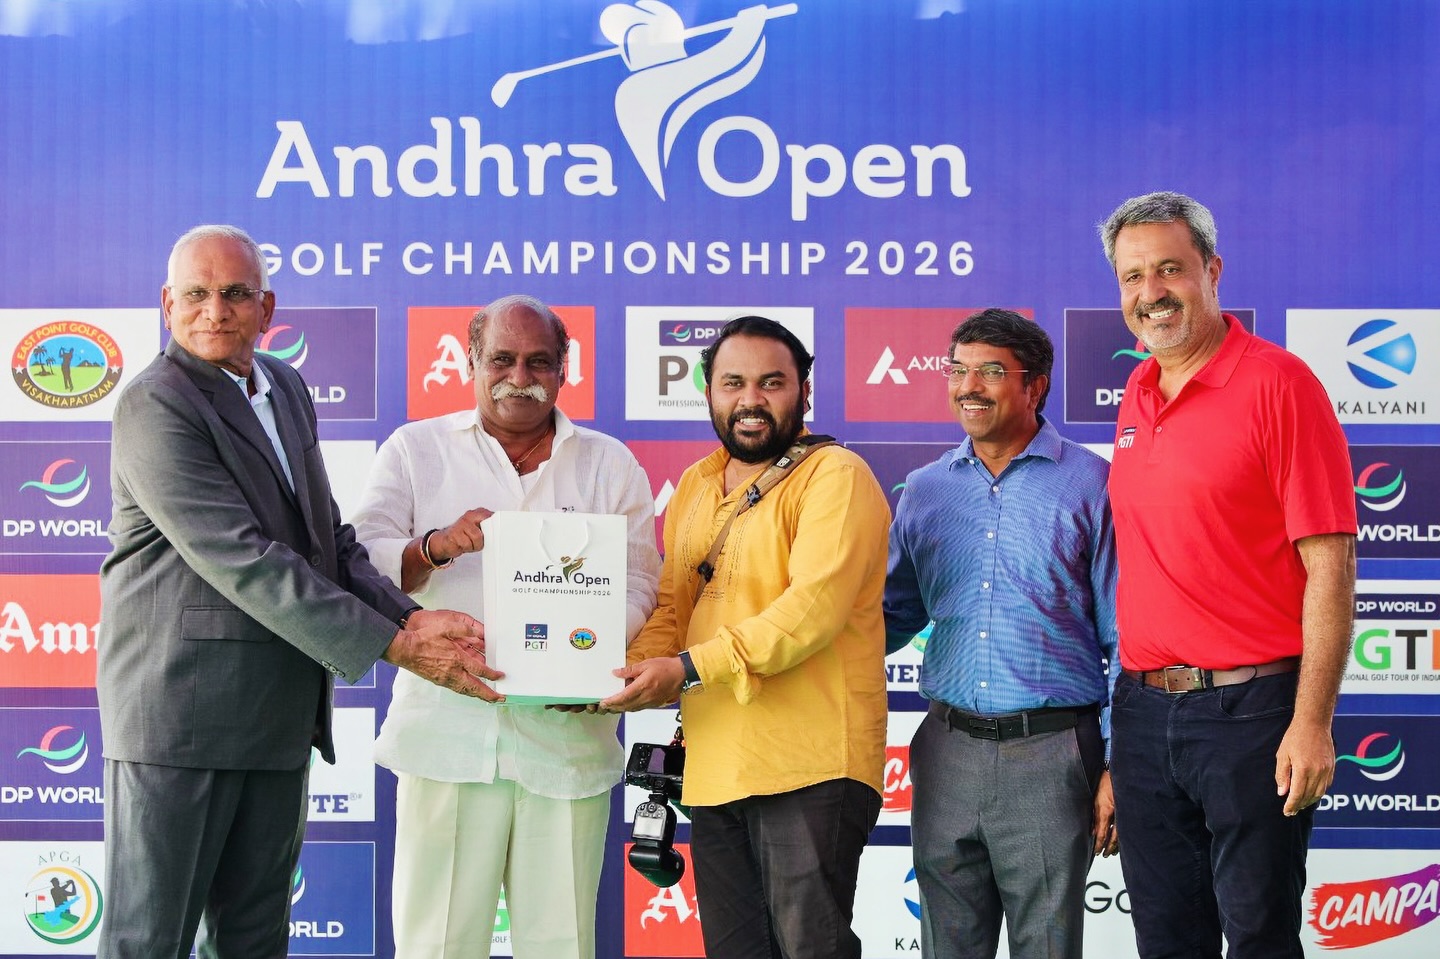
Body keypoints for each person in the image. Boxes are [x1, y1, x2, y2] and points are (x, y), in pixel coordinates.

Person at [97, 224, 500, 959]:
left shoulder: (284, 384)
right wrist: (396, 645)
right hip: (178, 722)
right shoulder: (155, 404)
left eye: (234, 293)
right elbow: (242, 558)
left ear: (266, 306)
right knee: (147, 942)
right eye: (195, 294)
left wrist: (411, 612)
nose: (214, 310)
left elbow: (324, 540)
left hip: (275, 719)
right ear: (166, 303)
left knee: (255, 940)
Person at [351, 294, 661, 959]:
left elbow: (640, 581)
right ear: (470, 361)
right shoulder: (416, 448)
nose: (519, 376)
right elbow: (362, 563)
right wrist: (435, 546)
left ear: (565, 366)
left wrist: (593, 654)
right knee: (437, 944)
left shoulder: (611, 464)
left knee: (563, 944)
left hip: (567, 740)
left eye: (539, 361)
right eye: (502, 359)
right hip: (447, 736)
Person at [1098, 192, 1357, 958]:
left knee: (1258, 937)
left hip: (1251, 715)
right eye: (1133, 277)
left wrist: (1311, 723)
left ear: (1212, 270)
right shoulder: (1138, 393)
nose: (1151, 293)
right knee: (1166, 941)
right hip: (1144, 716)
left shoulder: (1281, 385)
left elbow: (1332, 566)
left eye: (1170, 269)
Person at [602, 315, 890, 959]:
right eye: (733, 382)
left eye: (771, 382)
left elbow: (810, 610)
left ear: (804, 393)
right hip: (713, 770)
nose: (751, 399)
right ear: (707, 390)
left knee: (810, 949)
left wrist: (685, 669)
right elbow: (673, 610)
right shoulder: (696, 488)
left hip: (810, 766)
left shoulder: (836, 476)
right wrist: (606, 673)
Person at [884, 309, 1119, 959]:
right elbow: (888, 618)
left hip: (1050, 755)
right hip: (945, 749)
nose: (969, 387)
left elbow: (1126, 639)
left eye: (990, 371)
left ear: (1035, 386)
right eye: (958, 370)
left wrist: (1117, 764)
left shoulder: (1092, 483)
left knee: (1046, 946)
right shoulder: (926, 490)